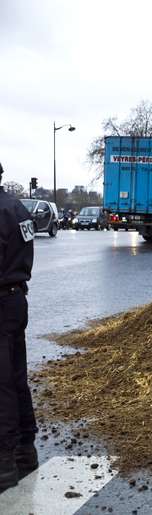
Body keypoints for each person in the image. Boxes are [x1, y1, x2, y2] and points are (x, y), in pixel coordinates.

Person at [0, 162, 38, 493]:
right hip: (16, 299)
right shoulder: (17, 209)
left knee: (2, 385)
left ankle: (4, 465)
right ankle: (27, 451)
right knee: (16, 377)